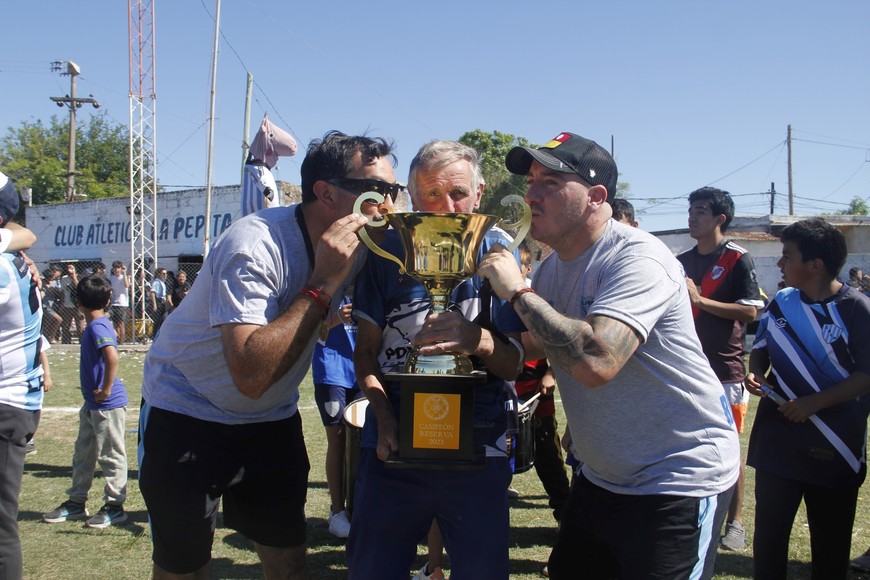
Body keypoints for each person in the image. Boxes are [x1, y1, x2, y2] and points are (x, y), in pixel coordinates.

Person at [478, 131, 740, 579]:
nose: (531, 195)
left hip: (677, 482)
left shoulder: (638, 259)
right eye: (531, 181)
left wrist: (517, 290)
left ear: (596, 196)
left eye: (550, 184)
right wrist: (473, 340)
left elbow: (597, 362)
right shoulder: (551, 270)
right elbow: (529, 347)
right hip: (601, 479)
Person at [138, 131, 399, 579]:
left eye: (396, 191)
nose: (391, 205)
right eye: (379, 192)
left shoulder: (363, 245)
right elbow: (251, 374)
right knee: (184, 567)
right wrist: (320, 284)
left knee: (288, 558)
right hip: (186, 412)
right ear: (327, 193)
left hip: (269, 419)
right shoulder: (255, 244)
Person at [348, 140, 525, 579]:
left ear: (480, 193)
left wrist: (475, 339)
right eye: (431, 194)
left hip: (478, 443)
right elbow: (366, 354)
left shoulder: (499, 250)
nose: (446, 207)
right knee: (372, 569)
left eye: (459, 193)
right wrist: (384, 415)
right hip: (392, 442)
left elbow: (514, 364)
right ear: (409, 195)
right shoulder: (383, 250)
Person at [744, 218, 870, 579]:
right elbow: (762, 347)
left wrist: (814, 403)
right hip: (777, 439)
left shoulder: (855, 308)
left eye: (787, 256)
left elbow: (866, 375)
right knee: (768, 541)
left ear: (815, 265)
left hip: (834, 442)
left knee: (829, 548)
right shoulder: (783, 301)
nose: (780, 264)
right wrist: (756, 371)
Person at [676, 187, 764, 551]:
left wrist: (701, 301)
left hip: (725, 370)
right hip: (684, 367)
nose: (692, 217)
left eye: (700, 211)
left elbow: (751, 311)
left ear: (719, 219)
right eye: (691, 210)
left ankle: (736, 523)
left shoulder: (737, 259)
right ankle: (688, 514)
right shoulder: (680, 260)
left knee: (728, 447)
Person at [43, 274, 130, 528]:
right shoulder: (97, 325)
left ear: (76, 301)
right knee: (84, 454)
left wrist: (105, 389)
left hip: (107, 404)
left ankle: (115, 506)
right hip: (92, 405)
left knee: (111, 455)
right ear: (108, 299)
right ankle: (76, 503)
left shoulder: (99, 327)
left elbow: (112, 358)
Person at [0, 170, 47, 579]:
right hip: (16, 402)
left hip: (5, 405)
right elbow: (21, 231)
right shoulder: (13, 254)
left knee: (1, 528)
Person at [512, 243, 570, 521]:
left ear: (526, 269)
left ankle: (564, 511)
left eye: (517, 266)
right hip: (503, 392)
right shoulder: (489, 296)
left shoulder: (537, 299)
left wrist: (551, 373)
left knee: (547, 453)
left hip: (535, 393)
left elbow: (558, 340)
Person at [311, 295, 359, 539]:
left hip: (363, 369)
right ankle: (337, 512)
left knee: (364, 442)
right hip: (331, 371)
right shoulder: (325, 281)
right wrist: (336, 319)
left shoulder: (367, 278)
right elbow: (307, 328)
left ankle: (360, 509)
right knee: (337, 439)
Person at [108, 261, 130, 344]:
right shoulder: (111, 278)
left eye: (118, 268)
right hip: (114, 302)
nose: (117, 270)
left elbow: (127, 285)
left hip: (122, 303)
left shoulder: (123, 277)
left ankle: (122, 341)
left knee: (121, 323)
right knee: (115, 323)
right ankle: (117, 339)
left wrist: (124, 274)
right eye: (115, 268)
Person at [59, 263, 82, 343]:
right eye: (68, 268)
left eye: (71, 268)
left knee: (79, 325)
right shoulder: (64, 278)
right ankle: (66, 341)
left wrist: (73, 276)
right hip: (67, 304)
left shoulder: (79, 277)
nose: (70, 269)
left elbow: (79, 287)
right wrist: (62, 304)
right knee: (66, 325)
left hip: (77, 305)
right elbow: (62, 291)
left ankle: (82, 340)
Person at [150, 267, 169, 339]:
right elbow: (153, 293)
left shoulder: (162, 282)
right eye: (163, 273)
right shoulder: (157, 282)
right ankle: (155, 336)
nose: (165, 275)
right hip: (159, 301)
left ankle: (161, 336)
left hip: (163, 302)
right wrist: (154, 304)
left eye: (165, 274)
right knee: (158, 321)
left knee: (163, 320)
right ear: (158, 274)